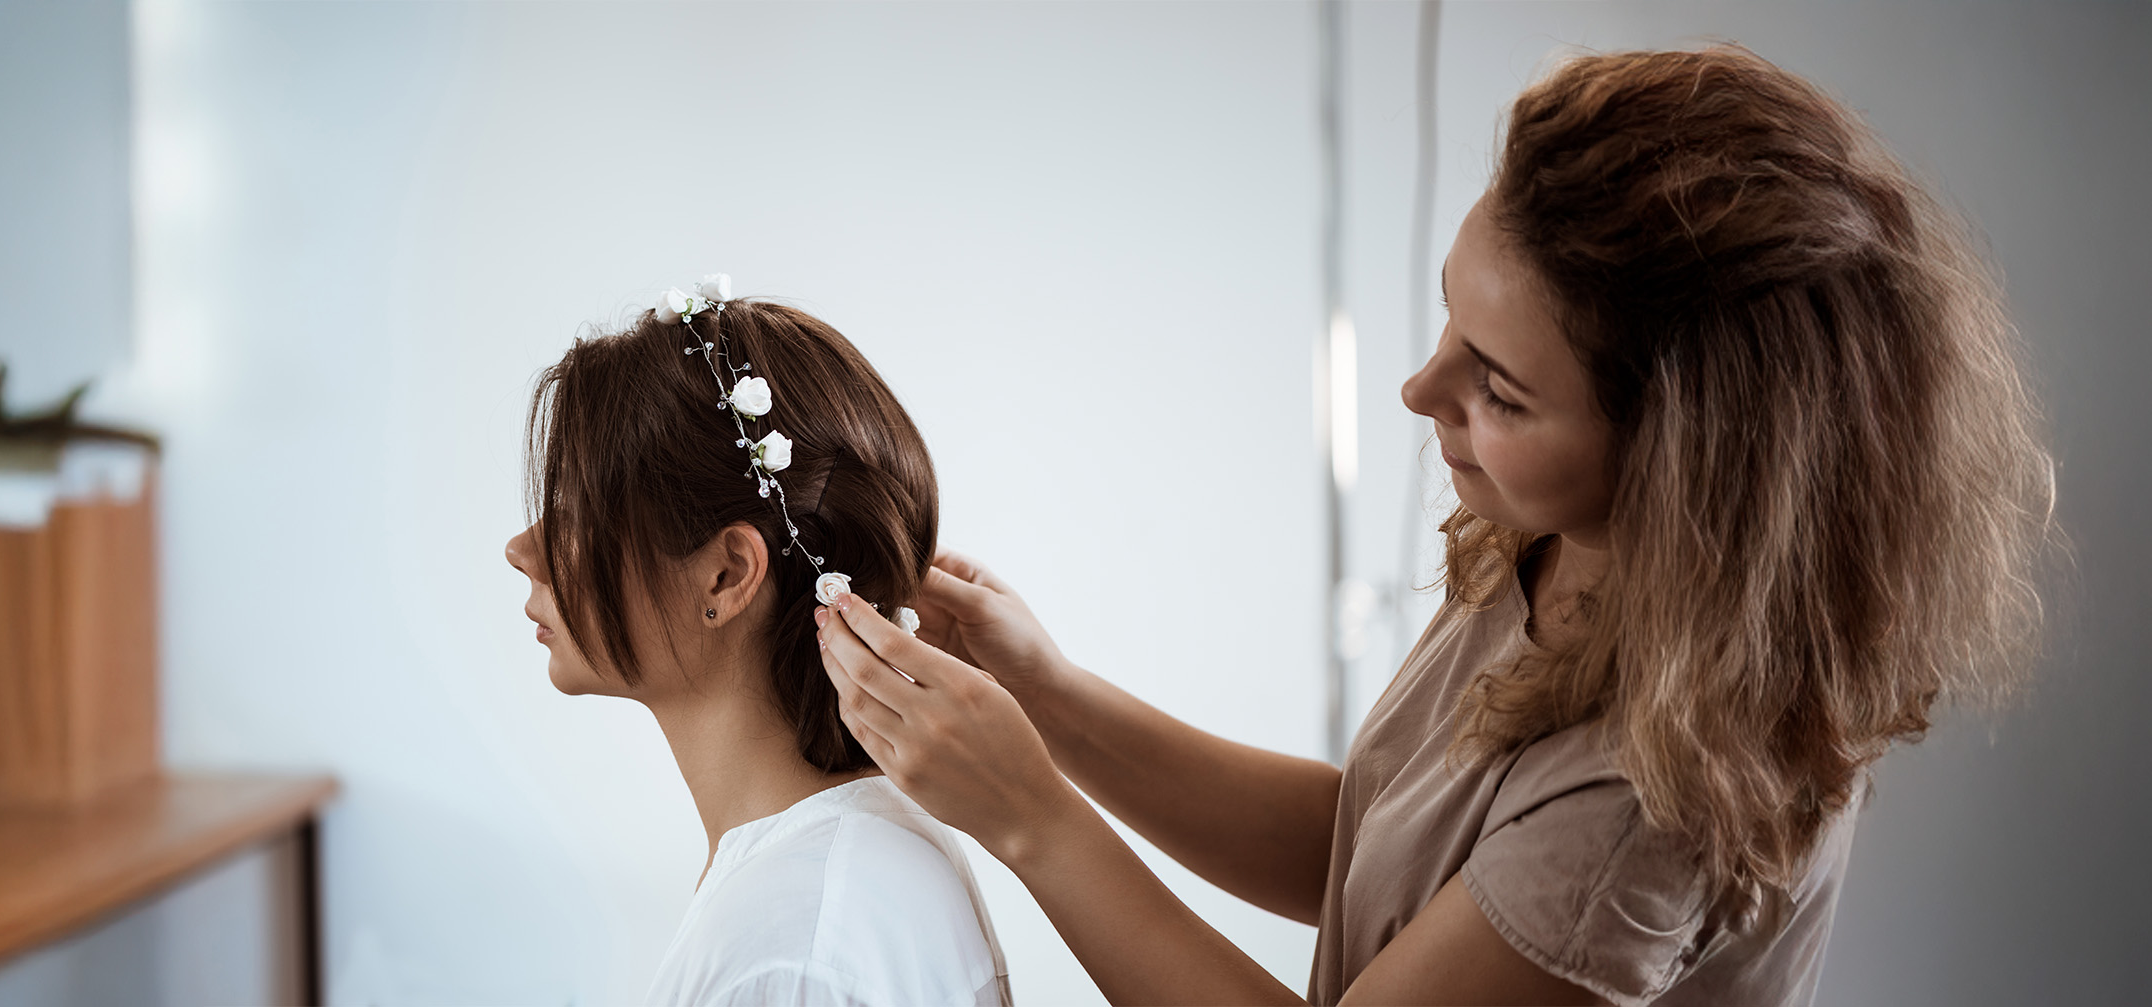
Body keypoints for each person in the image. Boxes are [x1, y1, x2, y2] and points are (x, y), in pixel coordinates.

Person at [813, 46, 2057, 1005]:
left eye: (1500, 389)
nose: (1420, 390)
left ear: (1693, 463)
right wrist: (1053, 698)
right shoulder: (1557, 535)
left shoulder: (1645, 812)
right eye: (1448, 316)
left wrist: (1033, 814)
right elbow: (1372, 849)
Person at [505, 281, 1012, 1005]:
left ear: (726, 573)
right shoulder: (855, 855)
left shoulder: (792, 950)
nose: (522, 547)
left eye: (574, 510)